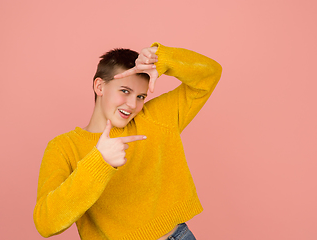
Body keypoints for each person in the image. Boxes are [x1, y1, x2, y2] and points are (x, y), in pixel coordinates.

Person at [33, 42, 222, 240]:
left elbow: (209, 75)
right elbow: (46, 223)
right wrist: (99, 162)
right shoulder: (63, 147)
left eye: (140, 96)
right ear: (99, 86)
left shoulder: (154, 118)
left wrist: (162, 58)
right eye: (124, 91)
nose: (133, 105)